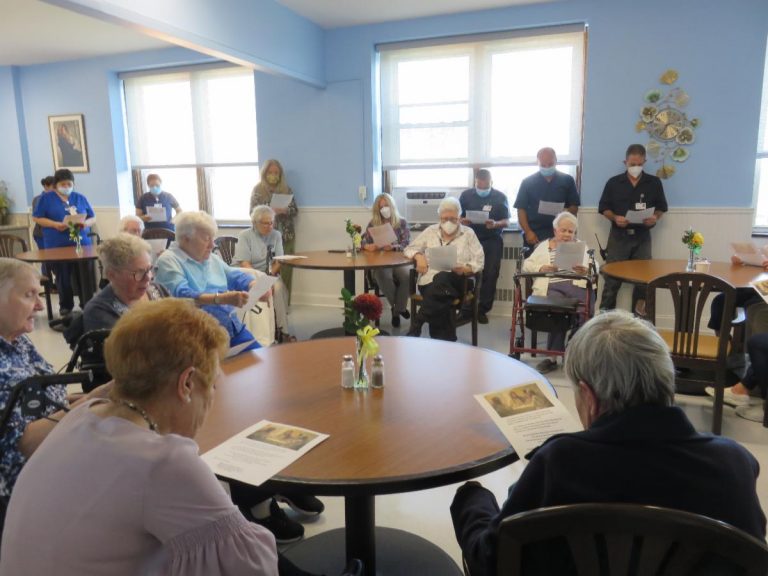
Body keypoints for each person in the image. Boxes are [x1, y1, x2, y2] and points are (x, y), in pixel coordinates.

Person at [450, 311, 766, 576]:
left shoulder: (559, 463)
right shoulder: (734, 464)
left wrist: (472, 498)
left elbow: (490, 561)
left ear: (588, 396)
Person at [3, 300, 282, 575]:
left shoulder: (80, 416)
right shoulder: (162, 462)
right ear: (186, 384)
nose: (211, 399)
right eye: (212, 387)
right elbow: (253, 567)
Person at [0, 258, 106, 534]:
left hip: (55, 462)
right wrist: (91, 406)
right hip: (20, 495)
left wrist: (104, 395)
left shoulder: (17, 342)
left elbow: (44, 399)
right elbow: (24, 444)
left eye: (39, 294)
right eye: (28, 295)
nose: (39, 306)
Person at [155, 211, 262, 353]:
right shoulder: (169, 260)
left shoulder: (211, 258)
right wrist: (220, 299)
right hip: (198, 337)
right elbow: (181, 295)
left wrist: (254, 285)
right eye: (206, 239)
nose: (212, 245)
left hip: (232, 328)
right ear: (185, 239)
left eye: (213, 238)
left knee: (261, 360)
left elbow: (233, 275)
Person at [598, 144, 668, 314]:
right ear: (625, 162)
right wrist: (615, 218)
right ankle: (605, 318)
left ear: (644, 161)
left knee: (643, 279)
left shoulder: (654, 182)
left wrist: (655, 218)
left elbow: (661, 208)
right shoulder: (614, 182)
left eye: (639, 164)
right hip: (619, 236)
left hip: (643, 236)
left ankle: (638, 321)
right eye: (632, 164)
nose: (635, 167)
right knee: (612, 279)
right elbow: (603, 208)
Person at [521, 211, 594, 374]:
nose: (567, 235)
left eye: (571, 231)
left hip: (577, 284)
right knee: (557, 312)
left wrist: (585, 270)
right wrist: (541, 268)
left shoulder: (581, 246)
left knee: (584, 312)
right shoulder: (544, 246)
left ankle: (573, 353)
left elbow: (593, 267)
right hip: (552, 285)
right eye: (563, 230)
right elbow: (527, 265)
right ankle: (552, 357)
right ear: (555, 231)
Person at [404, 197, 484, 341]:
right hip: (430, 282)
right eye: (445, 218)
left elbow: (480, 260)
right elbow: (409, 248)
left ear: (459, 217)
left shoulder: (468, 233)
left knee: (442, 278)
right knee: (441, 291)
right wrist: (418, 256)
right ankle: (446, 342)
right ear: (439, 217)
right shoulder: (430, 231)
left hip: (459, 280)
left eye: (453, 219)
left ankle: (418, 322)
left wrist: (465, 268)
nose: (448, 222)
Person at [32, 168, 97, 317]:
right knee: (63, 275)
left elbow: (93, 217)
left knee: (83, 274)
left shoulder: (79, 197)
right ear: (56, 184)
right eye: (63, 184)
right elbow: (37, 218)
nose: (66, 187)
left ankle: (87, 304)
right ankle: (66, 306)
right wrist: (55, 224)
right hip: (57, 243)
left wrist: (86, 224)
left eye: (69, 184)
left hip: (81, 243)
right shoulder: (46, 199)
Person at [82, 234, 168, 333]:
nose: (148, 277)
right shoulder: (98, 311)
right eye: (139, 273)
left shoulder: (159, 290)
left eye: (149, 269)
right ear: (112, 275)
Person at [234, 206, 294, 342]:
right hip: (248, 275)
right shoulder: (245, 235)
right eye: (265, 223)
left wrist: (268, 278)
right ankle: (258, 332)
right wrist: (260, 280)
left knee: (279, 289)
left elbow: (279, 260)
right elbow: (244, 263)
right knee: (262, 289)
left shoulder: (276, 235)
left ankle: (283, 331)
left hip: (269, 274)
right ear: (255, 223)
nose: (270, 226)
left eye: (272, 222)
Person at [459, 169, 510, 324]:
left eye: (485, 186)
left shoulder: (500, 197)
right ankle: (466, 309)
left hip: (491, 240)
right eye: (479, 186)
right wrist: (462, 220)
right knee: (465, 271)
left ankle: (482, 309)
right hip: (469, 239)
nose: (482, 189)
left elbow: (506, 221)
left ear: (491, 183)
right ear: (475, 182)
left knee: (490, 274)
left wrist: (496, 224)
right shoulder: (466, 195)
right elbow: (458, 216)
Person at [514, 147, 580, 250]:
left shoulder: (567, 180)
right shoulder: (527, 182)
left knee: (561, 265)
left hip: (561, 233)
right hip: (535, 234)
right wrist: (528, 232)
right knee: (534, 265)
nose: (547, 167)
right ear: (537, 162)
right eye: (543, 165)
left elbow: (574, 206)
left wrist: (565, 212)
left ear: (556, 161)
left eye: (550, 164)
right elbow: (521, 209)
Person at [361, 193, 411, 327]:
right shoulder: (373, 223)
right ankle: (400, 308)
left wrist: (393, 247)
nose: (384, 209)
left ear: (392, 206)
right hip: (380, 262)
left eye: (386, 205)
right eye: (381, 207)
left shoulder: (402, 222)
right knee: (383, 275)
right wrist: (367, 246)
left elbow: (407, 244)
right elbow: (362, 241)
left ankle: (396, 310)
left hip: (398, 260)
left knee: (407, 276)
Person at [250, 160, 298, 298]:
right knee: (268, 269)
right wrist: (267, 211)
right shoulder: (258, 190)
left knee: (287, 270)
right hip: (265, 237)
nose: (273, 175)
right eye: (270, 172)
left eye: (276, 173)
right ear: (265, 173)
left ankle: (284, 304)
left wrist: (284, 210)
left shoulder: (286, 189)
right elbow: (252, 212)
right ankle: (268, 303)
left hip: (286, 236)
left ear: (280, 174)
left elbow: (295, 210)